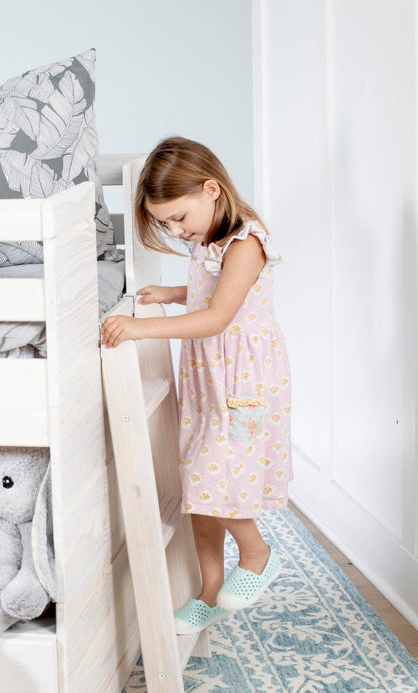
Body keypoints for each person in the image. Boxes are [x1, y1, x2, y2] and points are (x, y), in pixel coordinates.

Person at [101, 137, 292, 635]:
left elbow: (218, 314)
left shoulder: (246, 241)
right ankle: (208, 591)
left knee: (216, 478)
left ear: (211, 189)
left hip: (242, 381)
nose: (176, 231)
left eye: (179, 218)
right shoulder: (209, 241)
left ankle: (257, 554)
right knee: (197, 487)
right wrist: (172, 292)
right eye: (166, 224)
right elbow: (212, 288)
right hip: (210, 377)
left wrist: (142, 329)